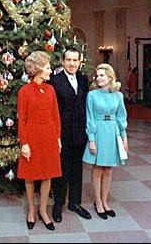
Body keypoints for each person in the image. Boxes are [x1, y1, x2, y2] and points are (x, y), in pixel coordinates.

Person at [17, 51, 62, 231]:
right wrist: (24, 143)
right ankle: (32, 210)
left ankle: (44, 211)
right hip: (32, 135)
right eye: (48, 67)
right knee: (30, 174)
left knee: (47, 174)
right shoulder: (24, 91)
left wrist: (58, 137)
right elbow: (22, 119)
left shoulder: (51, 89)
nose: (50, 71)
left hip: (50, 135)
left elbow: (55, 115)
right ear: (37, 69)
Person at [49, 46, 92, 223]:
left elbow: (85, 105)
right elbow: (52, 111)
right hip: (63, 133)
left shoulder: (83, 79)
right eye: (69, 60)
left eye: (75, 60)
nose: (72, 63)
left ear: (80, 62)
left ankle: (75, 202)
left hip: (80, 133)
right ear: (63, 61)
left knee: (77, 170)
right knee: (61, 170)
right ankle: (58, 204)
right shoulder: (55, 81)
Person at [82, 63, 128, 219]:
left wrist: (124, 138)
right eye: (97, 75)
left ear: (110, 77)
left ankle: (105, 200)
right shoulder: (92, 95)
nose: (98, 78)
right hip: (99, 132)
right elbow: (90, 118)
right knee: (97, 169)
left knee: (108, 169)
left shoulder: (118, 95)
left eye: (102, 75)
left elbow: (122, 117)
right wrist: (92, 140)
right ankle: (98, 202)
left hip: (112, 131)